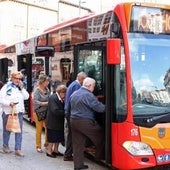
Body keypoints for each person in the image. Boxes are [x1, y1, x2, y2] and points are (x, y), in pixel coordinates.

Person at [67, 77, 105, 170]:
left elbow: (68, 109)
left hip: (73, 120)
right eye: (94, 86)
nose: (94, 88)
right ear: (90, 85)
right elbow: (100, 108)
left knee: (78, 144)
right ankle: (99, 157)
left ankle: (78, 166)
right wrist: (111, 107)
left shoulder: (75, 94)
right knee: (101, 135)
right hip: (85, 121)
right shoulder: (88, 95)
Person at [0, 71, 29, 156]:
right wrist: (9, 103)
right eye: (16, 78)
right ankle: (5, 146)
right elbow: (1, 99)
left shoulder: (20, 88)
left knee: (19, 131)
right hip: (8, 112)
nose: (18, 80)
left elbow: (26, 97)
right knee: (7, 130)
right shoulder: (6, 87)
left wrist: (22, 88)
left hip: (18, 112)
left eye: (20, 79)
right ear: (12, 78)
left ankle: (18, 149)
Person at [64, 71, 87, 161]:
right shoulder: (77, 86)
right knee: (73, 135)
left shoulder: (73, 84)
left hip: (68, 111)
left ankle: (68, 154)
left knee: (71, 134)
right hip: (71, 113)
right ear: (82, 79)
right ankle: (68, 154)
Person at [46, 85, 67, 158]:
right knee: (52, 137)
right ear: (60, 92)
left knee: (58, 137)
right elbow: (55, 110)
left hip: (59, 122)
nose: (64, 95)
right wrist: (65, 112)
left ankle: (55, 150)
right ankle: (49, 151)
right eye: (64, 93)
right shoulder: (53, 98)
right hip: (52, 122)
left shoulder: (60, 98)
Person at [33, 74, 50, 153]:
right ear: (42, 82)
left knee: (48, 128)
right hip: (38, 112)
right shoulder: (37, 90)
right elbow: (35, 102)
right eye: (46, 81)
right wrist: (46, 103)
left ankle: (46, 144)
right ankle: (38, 146)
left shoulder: (47, 89)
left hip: (46, 111)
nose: (48, 82)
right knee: (39, 129)